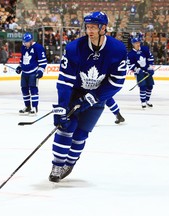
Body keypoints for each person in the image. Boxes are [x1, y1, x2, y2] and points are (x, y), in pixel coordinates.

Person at [48, 11, 127, 183]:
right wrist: (62, 107)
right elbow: (65, 81)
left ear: (103, 28)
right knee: (66, 126)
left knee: (81, 133)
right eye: (88, 27)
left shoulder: (118, 50)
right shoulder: (74, 48)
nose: (89, 30)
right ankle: (57, 164)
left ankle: (69, 163)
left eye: (94, 27)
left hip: (98, 95)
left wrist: (93, 97)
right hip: (74, 92)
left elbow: (116, 82)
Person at [16, 32, 47, 115]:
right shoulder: (23, 47)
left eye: (26, 42)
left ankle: (34, 107)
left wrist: (40, 71)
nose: (24, 43)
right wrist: (19, 66)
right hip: (24, 73)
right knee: (24, 89)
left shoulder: (38, 48)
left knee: (33, 89)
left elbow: (43, 62)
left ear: (31, 41)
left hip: (33, 72)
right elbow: (22, 59)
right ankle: (27, 106)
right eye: (24, 42)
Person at [127, 36, 155, 109]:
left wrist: (150, 67)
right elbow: (130, 64)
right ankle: (143, 102)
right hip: (139, 72)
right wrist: (137, 70)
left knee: (150, 86)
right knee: (142, 87)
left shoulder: (145, 49)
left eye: (139, 42)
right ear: (133, 44)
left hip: (147, 70)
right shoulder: (130, 54)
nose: (138, 44)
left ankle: (147, 100)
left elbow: (150, 57)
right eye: (136, 43)